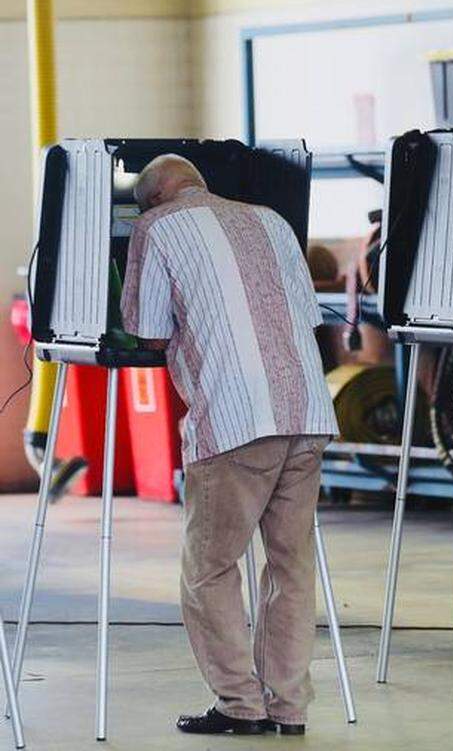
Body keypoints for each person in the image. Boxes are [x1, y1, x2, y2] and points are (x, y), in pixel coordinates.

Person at [121, 154, 339, 735]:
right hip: (308, 410)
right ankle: (289, 708)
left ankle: (240, 705)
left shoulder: (155, 227)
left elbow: (147, 330)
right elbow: (308, 315)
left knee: (210, 568)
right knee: (290, 567)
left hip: (236, 420)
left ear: (153, 199)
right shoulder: (271, 220)